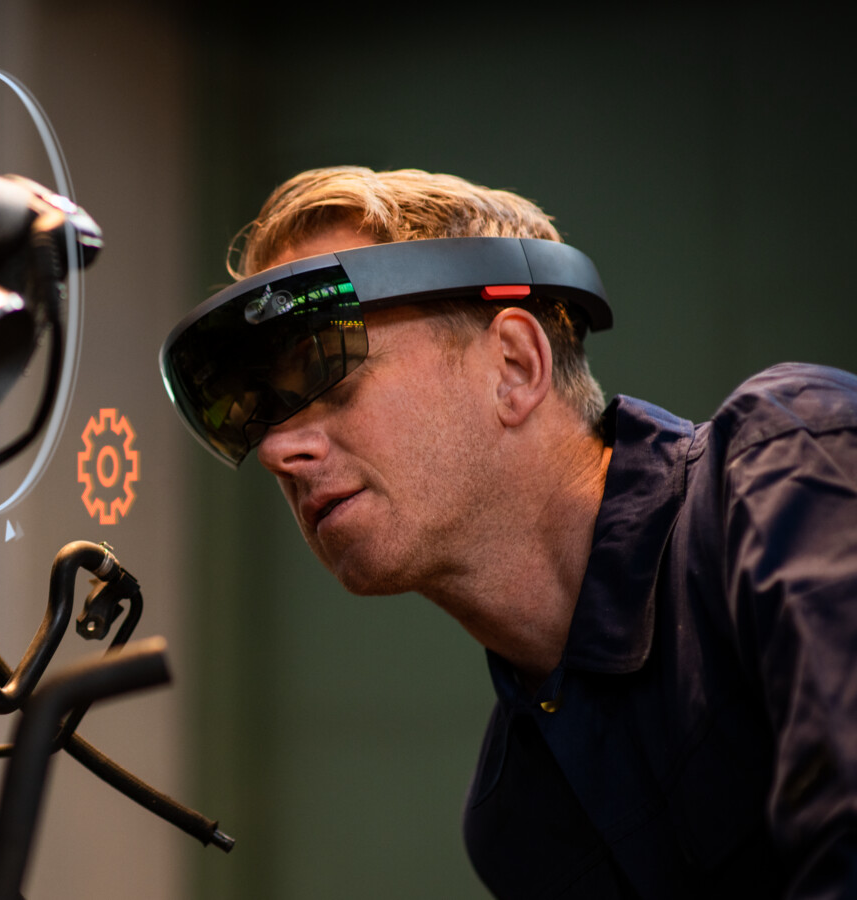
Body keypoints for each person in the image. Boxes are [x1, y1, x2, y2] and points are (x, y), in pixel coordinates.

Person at [159, 166, 857, 897]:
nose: (277, 450)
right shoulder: (517, 814)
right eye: (264, 410)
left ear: (515, 366)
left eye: (324, 372)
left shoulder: (781, 475)